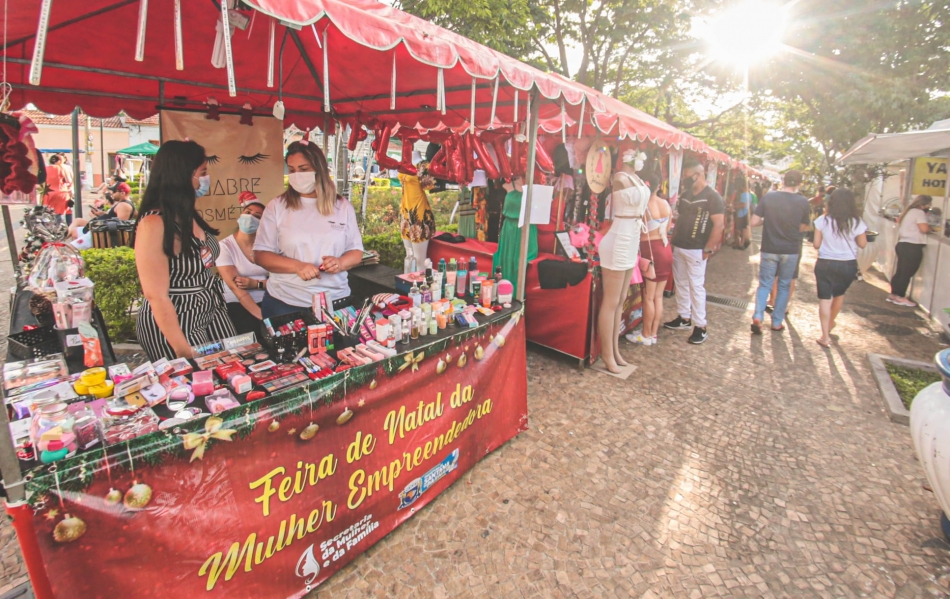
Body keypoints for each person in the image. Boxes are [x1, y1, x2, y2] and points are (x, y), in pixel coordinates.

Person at [134, 140, 235, 360]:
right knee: (199, 385)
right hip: (177, 321)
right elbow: (156, 295)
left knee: (231, 370)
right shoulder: (154, 224)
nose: (207, 178)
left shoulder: (188, 214)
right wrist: (182, 350)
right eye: (203, 172)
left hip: (210, 309)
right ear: (182, 175)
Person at [255, 141, 364, 319]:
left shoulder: (342, 207)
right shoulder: (277, 206)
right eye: (292, 170)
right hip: (286, 303)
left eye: (303, 169)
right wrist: (297, 267)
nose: (297, 175)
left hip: (335, 301)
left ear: (319, 169)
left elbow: (356, 251)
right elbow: (261, 255)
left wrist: (340, 263)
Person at [597, 150, 650, 372]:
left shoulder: (636, 179)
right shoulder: (620, 178)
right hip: (619, 239)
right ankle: (607, 354)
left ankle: (615, 350)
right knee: (611, 301)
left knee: (620, 299)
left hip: (632, 238)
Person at [664, 158, 725, 345]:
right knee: (681, 282)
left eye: (687, 176)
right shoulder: (686, 194)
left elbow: (719, 224)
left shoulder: (713, 197)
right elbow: (679, 217)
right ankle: (684, 317)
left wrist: (708, 248)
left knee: (696, 286)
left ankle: (700, 325)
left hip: (697, 248)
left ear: (698, 175)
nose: (684, 179)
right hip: (680, 245)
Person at [750, 170, 810, 334]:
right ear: (799, 183)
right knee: (784, 285)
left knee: (764, 284)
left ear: (783, 181)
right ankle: (776, 322)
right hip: (791, 250)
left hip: (770, 248)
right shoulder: (803, 202)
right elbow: (804, 227)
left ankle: (758, 316)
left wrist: (767, 220)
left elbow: (754, 221)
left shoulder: (769, 197)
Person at [812, 188, 868, 348]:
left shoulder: (823, 220)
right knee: (839, 295)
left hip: (825, 263)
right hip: (847, 264)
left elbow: (816, 244)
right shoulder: (857, 222)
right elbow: (862, 244)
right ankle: (830, 324)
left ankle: (824, 336)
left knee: (824, 298)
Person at [626, 170, 671, 346]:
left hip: (651, 252)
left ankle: (646, 334)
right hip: (666, 250)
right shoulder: (665, 204)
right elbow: (667, 230)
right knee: (658, 296)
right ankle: (653, 334)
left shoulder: (644, 206)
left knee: (649, 296)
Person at [216, 194, 269, 334]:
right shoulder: (224, 247)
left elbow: (281, 282)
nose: (251, 217)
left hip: (267, 298)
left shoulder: (268, 246)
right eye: (248, 213)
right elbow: (237, 289)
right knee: (250, 331)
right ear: (240, 215)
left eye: (257, 216)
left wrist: (257, 284)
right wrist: (263, 317)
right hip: (235, 302)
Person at [492, 177, 537, 297]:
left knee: (521, 263)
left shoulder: (535, 185)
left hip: (527, 228)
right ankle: (503, 294)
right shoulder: (508, 184)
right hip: (510, 230)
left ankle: (518, 296)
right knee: (507, 259)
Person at [887, 194, 933, 307]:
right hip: (912, 246)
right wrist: (930, 228)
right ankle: (900, 296)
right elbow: (924, 229)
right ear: (923, 205)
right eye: (929, 205)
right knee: (907, 272)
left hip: (903, 244)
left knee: (901, 271)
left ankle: (894, 294)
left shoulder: (908, 211)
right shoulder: (919, 213)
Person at [42, 154, 72, 223]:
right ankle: (68, 229)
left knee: (48, 212)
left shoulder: (45, 169)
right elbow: (69, 181)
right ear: (59, 161)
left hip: (48, 193)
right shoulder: (63, 168)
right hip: (62, 193)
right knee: (65, 211)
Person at [732, 175, 752, 249]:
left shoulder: (744, 194)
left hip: (741, 214)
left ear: (743, 187)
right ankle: (742, 243)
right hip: (746, 214)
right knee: (743, 229)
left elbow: (743, 205)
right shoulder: (749, 195)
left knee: (738, 230)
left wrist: (734, 206)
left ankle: (742, 242)